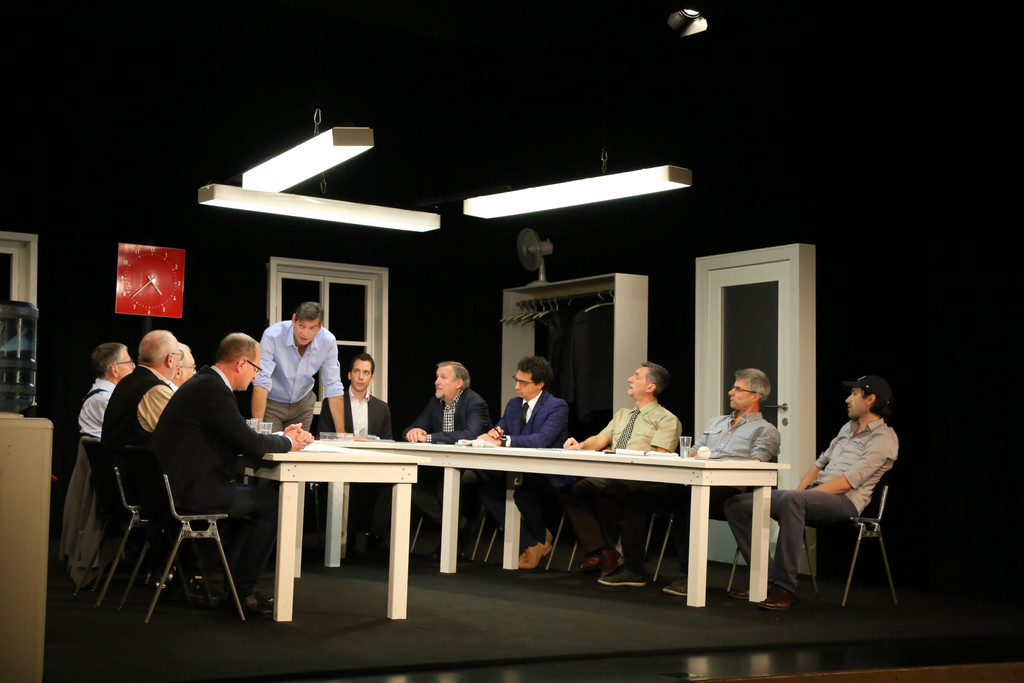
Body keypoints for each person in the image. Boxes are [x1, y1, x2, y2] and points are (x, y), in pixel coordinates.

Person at [152, 332, 315, 616]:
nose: (255, 376)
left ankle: (232, 586)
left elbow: (239, 436)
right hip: (191, 492)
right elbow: (251, 444)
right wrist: (290, 442)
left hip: (176, 486)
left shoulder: (204, 384)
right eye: (256, 369)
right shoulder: (213, 390)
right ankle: (242, 591)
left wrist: (281, 437)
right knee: (274, 504)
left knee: (257, 503)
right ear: (241, 363)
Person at [598, 368, 781, 593]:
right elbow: (693, 451)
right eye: (733, 388)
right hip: (695, 482)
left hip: (727, 488)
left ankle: (690, 575)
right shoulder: (716, 422)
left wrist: (715, 463)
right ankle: (633, 569)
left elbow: (757, 464)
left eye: (737, 389)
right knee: (638, 496)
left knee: (690, 501)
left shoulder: (766, 430)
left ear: (756, 396)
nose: (730, 392)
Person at [724, 375, 898, 611]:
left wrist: (798, 497)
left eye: (854, 394)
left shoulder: (884, 438)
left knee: (792, 500)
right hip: (814, 495)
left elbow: (848, 482)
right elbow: (819, 465)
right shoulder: (847, 429)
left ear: (870, 400)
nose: (847, 399)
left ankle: (784, 587)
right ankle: (766, 579)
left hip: (846, 501)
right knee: (737, 504)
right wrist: (800, 493)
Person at [561, 362, 682, 575]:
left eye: (637, 376)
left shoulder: (666, 419)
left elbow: (661, 458)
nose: (630, 379)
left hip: (642, 479)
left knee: (609, 493)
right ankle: (603, 550)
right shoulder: (623, 414)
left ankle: (614, 552)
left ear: (650, 387)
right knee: (570, 489)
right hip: (613, 474)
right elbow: (600, 439)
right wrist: (579, 445)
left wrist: (622, 454)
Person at [476, 356, 570, 568]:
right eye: (516, 380)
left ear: (540, 384)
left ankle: (537, 541)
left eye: (523, 382)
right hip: (517, 471)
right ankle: (534, 542)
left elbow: (543, 440)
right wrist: (493, 434)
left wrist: (504, 440)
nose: (517, 386)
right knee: (488, 490)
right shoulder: (513, 405)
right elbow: (500, 429)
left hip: (547, 473)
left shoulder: (557, 406)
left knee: (522, 491)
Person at [403, 361, 491, 531]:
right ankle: (457, 526)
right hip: (441, 464)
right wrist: (412, 432)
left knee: (448, 483)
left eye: (443, 378)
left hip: (473, 465)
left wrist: (428, 438)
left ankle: (454, 535)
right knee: (407, 479)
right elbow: (411, 429)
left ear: (458, 383)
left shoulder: (475, 402)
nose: (437, 382)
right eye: (437, 377)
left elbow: (469, 435)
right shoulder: (435, 403)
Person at [252, 301, 345, 433]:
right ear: (294, 319)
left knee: (299, 445)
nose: (305, 333)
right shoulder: (272, 335)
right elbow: (261, 380)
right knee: (272, 444)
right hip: (273, 403)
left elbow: (333, 386)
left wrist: (342, 434)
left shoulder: (328, 341)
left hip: (302, 403)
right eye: (301, 326)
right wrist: (257, 429)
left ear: (320, 326)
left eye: (312, 328)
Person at [101, 330, 179, 454]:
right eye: (178, 355)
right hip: (134, 465)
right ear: (170, 359)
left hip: (114, 463)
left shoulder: (127, 381)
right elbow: (180, 437)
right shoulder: (156, 391)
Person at [318, 352, 392, 440]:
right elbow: (323, 438)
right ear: (349, 375)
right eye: (356, 371)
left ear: (372, 378)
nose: (360, 377)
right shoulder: (331, 403)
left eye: (366, 372)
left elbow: (387, 442)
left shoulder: (382, 408)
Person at [78, 342, 135, 438]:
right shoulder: (105, 399)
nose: (133, 366)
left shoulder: (110, 395)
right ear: (114, 370)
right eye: (129, 362)